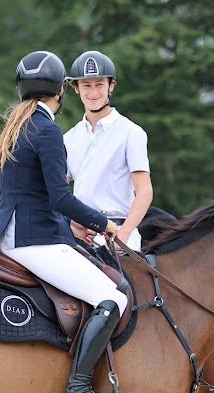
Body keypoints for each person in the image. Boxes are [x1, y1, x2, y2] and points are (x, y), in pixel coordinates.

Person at [0, 51, 132, 393]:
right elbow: (61, 197)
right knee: (113, 298)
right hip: (34, 241)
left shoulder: (17, 125)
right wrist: (103, 224)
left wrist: (71, 227)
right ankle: (78, 392)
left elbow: (37, 195)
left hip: (12, 235)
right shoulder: (46, 129)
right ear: (60, 91)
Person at [64, 50, 153, 252]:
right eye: (86, 85)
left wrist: (124, 234)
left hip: (119, 233)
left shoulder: (132, 132)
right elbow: (58, 190)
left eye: (99, 85)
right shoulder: (68, 139)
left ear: (111, 86)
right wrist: (71, 224)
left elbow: (145, 192)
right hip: (79, 237)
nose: (93, 92)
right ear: (76, 88)